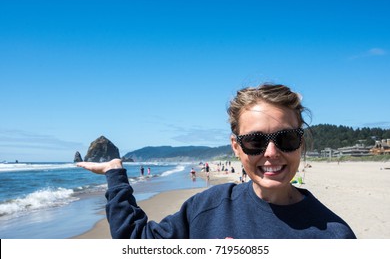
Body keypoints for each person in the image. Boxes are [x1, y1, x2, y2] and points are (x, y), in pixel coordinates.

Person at [77, 83, 356, 239]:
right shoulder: (208, 207)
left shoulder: (334, 235)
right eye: (255, 141)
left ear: (301, 143)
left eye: (286, 139)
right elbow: (136, 242)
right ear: (236, 147)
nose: (271, 153)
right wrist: (116, 173)